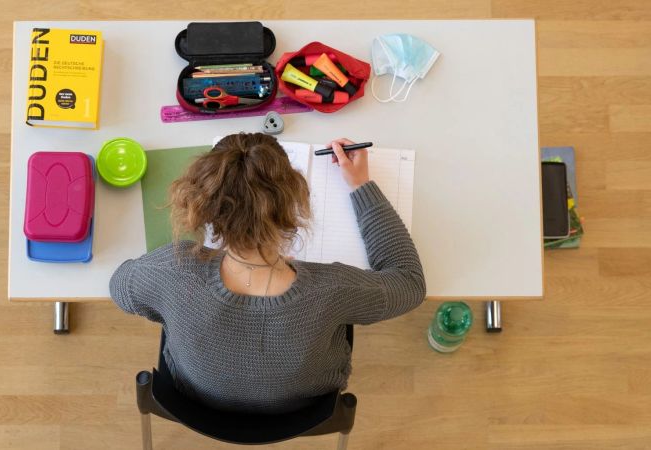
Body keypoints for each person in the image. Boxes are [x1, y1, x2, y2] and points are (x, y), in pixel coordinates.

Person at [110, 133, 425, 413]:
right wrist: (362, 185)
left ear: (203, 207)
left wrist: (175, 310)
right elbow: (409, 282)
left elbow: (120, 286)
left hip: (194, 398)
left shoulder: (173, 272)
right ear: (293, 208)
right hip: (305, 406)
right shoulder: (332, 290)